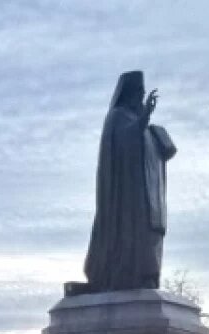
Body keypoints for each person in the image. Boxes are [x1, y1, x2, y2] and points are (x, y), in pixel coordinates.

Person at [83, 70, 177, 292]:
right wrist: (145, 118)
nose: (141, 98)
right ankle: (127, 275)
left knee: (148, 236)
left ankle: (147, 276)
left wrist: (154, 133)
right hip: (125, 196)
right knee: (131, 235)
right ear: (129, 94)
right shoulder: (117, 116)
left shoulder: (144, 126)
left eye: (143, 93)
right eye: (139, 93)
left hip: (147, 195)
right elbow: (125, 141)